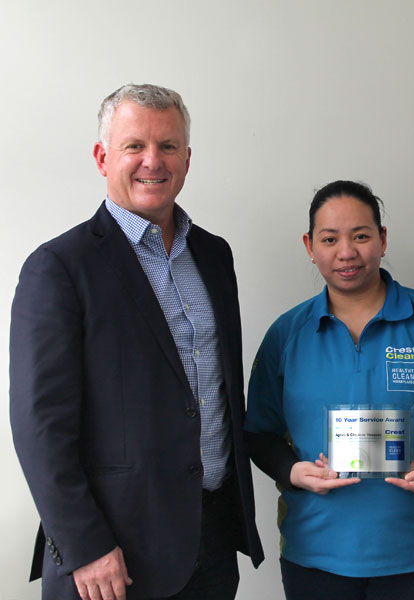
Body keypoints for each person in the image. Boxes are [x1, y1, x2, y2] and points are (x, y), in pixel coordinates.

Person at [9, 84, 264, 600]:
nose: (154, 160)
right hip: (111, 558)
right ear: (103, 156)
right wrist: (84, 546)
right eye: (135, 146)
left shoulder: (214, 256)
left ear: (187, 159)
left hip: (211, 540)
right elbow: (41, 425)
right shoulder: (59, 267)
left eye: (168, 146)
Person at [245, 180, 414, 599]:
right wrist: (292, 471)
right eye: (329, 239)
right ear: (310, 246)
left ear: (382, 239)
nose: (346, 252)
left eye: (361, 235)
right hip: (315, 553)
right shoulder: (286, 334)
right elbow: (258, 433)